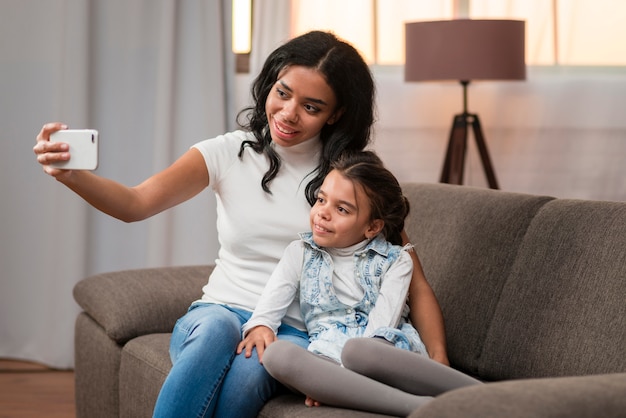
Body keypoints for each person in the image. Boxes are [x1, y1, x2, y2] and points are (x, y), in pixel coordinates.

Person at [33, 31, 448, 418]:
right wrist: (73, 176)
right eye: (282, 94)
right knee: (215, 331)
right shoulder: (226, 153)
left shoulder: (349, 178)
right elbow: (135, 203)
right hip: (217, 311)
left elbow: (413, 280)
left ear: (336, 114)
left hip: (296, 331)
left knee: (250, 375)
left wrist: (438, 363)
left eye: (311, 107)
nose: (287, 114)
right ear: (269, 84)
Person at [238, 151, 481, 416]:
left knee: (359, 351)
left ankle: (485, 396)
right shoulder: (299, 252)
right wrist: (261, 325)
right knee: (278, 356)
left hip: (381, 353)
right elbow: (272, 302)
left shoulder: (396, 261)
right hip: (326, 355)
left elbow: (381, 329)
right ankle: (420, 407)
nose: (323, 213)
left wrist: (335, 383)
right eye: (321, 200)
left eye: (341, 209)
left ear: (372, 227)